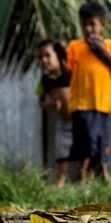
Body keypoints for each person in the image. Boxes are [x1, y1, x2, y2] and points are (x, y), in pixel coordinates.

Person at [66, 2, 111, 182]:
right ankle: (82, 176)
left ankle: (104, 175)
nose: (88, 29)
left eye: (92, 24)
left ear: (102, 25)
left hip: (103, 103)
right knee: (85, 142)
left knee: (102, 141)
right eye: (84, 24)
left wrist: (101, 50)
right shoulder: (75, 46)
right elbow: (68, 72)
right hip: (81, 103)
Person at [35, 40, 71, 187]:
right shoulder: (45, 80)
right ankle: (61, 180)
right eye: (40, 57)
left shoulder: (68, 72)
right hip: (63, 121)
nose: (44, 60)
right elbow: (41, 102)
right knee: (61, 152)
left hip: (79, 119)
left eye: (48, 56)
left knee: (86, 150)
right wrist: (49, 104)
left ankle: (85, 179)